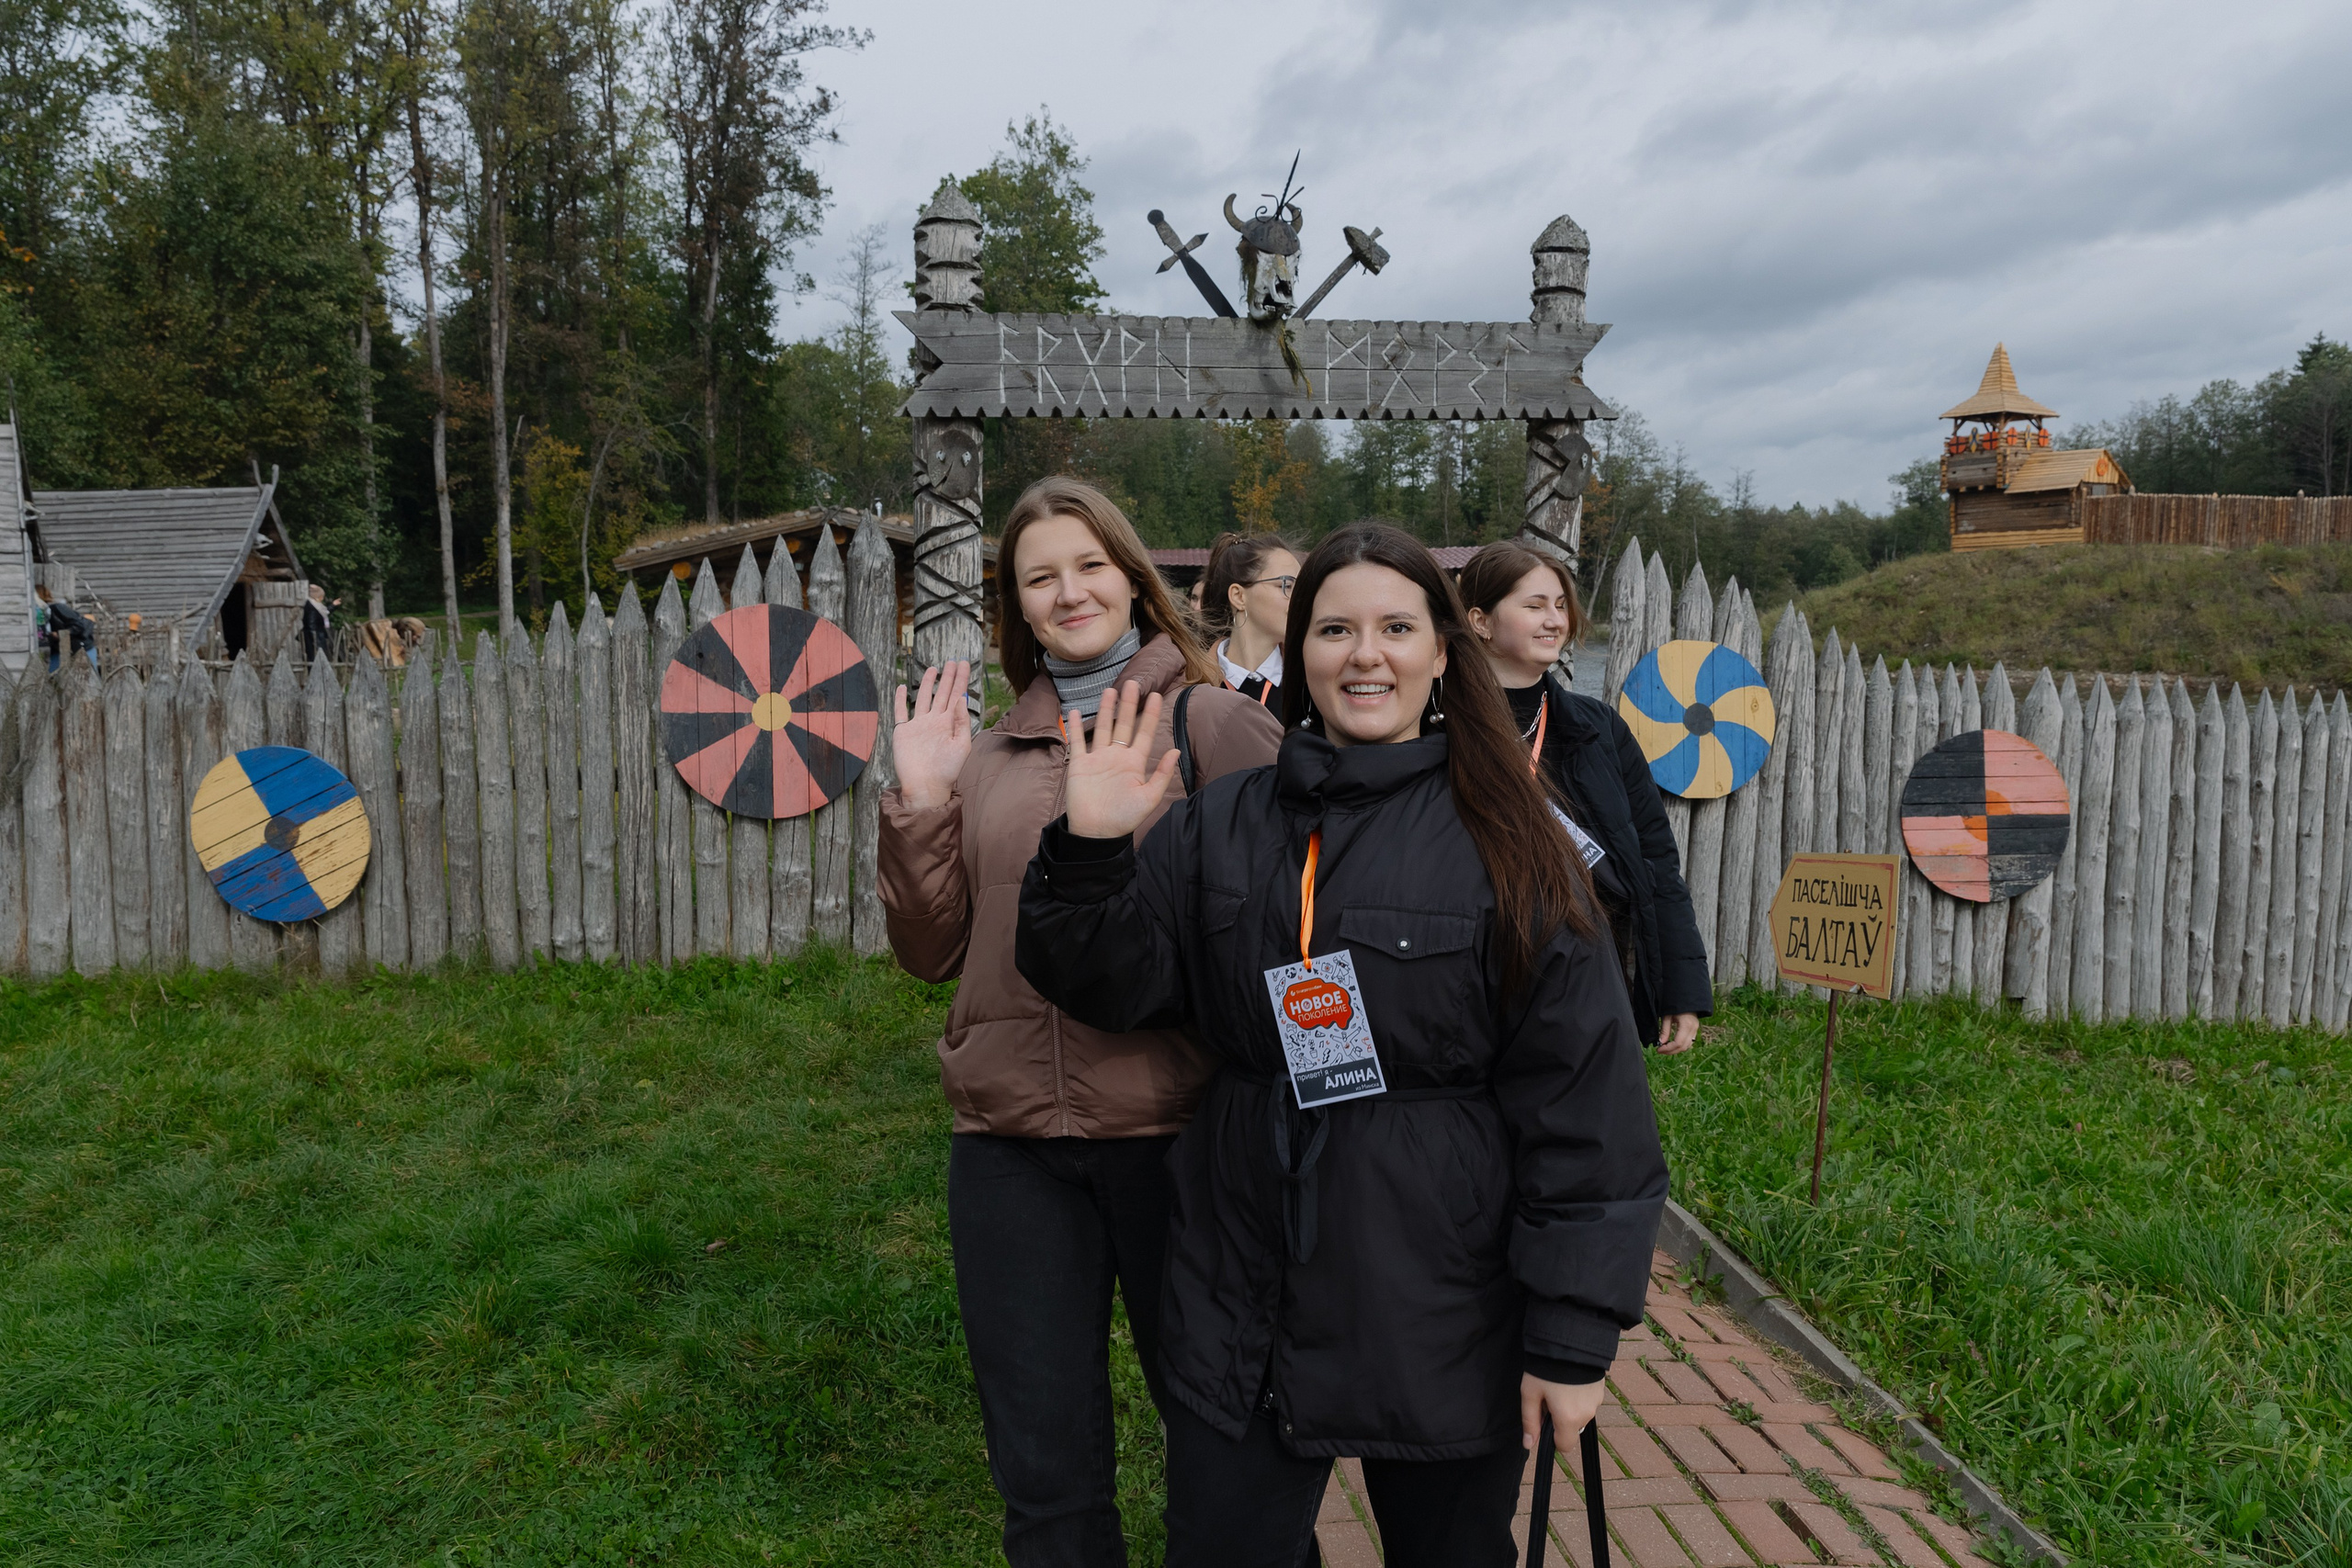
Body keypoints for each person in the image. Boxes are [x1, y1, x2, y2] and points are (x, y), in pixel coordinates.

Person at [1014, 522, 1668, 1568]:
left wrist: (1572, 1335)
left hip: (1443, 1292)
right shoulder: (1221, 822)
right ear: (1298, 652)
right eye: (1334, 630)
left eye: (1396, 627)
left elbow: (1585, 1105)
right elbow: (1110, 985)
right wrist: (1087, 852)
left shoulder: (1516, 841)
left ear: (1442, 653)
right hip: (1245, 1279)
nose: (1365, 655)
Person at [879, 476, 1285, 1566]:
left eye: (1089, 565)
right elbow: (930, 954)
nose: (1068, 593)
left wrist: (1337, 1108)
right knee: (1046, 1481)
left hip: (1181, 1139)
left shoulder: (1213, 722)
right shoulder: (992, 756)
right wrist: (923, 805)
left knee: (1232, 1457)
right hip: (1010, 1150)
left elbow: (1305, 926)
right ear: (1014, 607)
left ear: (1134, 578)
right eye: (1038, 578)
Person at [1459, 541, 1711, 1054]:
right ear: (1480, 621)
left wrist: (1679, 987)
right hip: (1468, 971)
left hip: (1586, 971)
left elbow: (1655, 859)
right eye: (1533, 606)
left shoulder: (1598, 730)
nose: (1555, 620)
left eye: (1559, 605)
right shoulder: (1440, 725)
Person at [1198, 531, 1298, 709]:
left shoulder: (1308, 686)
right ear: (1239, 597)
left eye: (1302, 588)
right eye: (1287, 586)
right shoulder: (1194, 687)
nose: (1300, 599)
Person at [34, 583, 96, 671]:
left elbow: (79, 625)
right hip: (59, 649)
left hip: (83, 647)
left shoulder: (57, 608)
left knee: (89, 676)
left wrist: (58, 634)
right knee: (54, 675)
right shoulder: (40, 614)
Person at [301, 583, 339, 661]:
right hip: (314, 638)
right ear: (317, 597)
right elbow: (310, 625)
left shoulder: (317, 606)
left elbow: (325, 612)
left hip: (317, 636)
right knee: (315, 659)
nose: (322, 598)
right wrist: (314, 640)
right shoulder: (311, 607)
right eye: (321, 596)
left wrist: (333, 605)